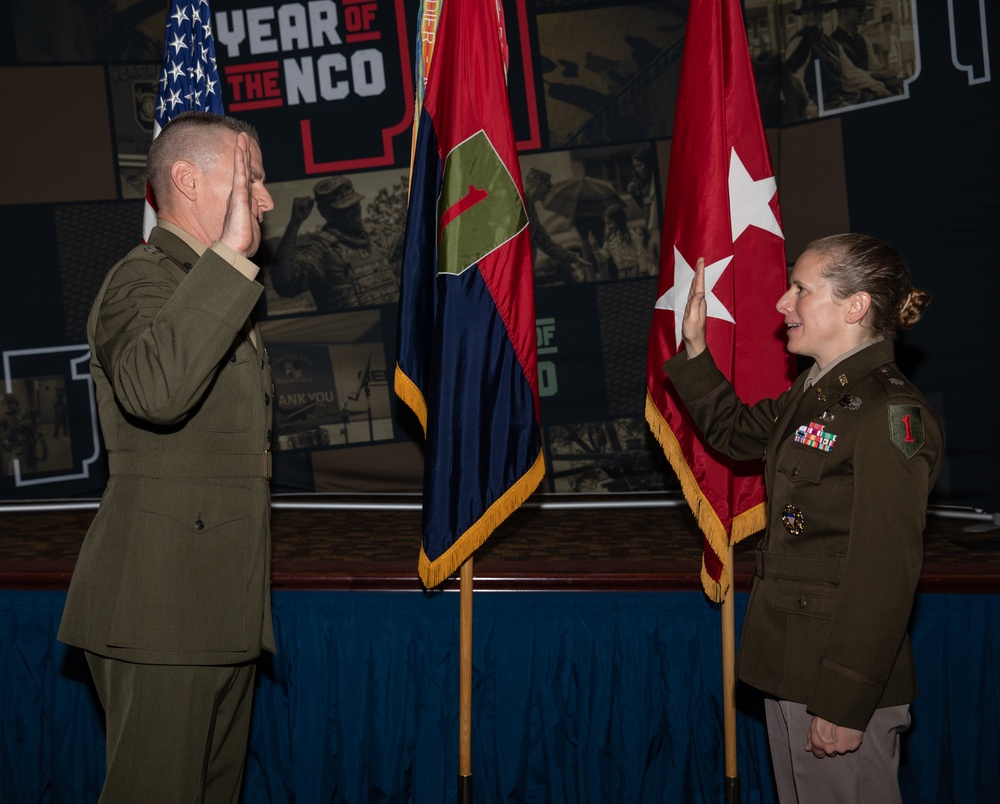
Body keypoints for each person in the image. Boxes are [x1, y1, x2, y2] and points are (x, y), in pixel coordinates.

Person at [664, 234, 943, 802]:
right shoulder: (815, 394)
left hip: (837, 681)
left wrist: (843, 700)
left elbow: (883, 573)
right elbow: (734, 431)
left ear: (855, 305)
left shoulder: (889, 413)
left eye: (800, 289)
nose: (781, 304)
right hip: (793, 660)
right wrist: (695, 348)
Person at [57, 111, 276, 803]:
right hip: (161, 613)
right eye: (253, 178)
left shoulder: (212, 284)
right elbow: (155, 392)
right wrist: (234, 251)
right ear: (186, 179)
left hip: (217, 609)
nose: (266, 199)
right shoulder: (141, 282)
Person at [269, 175, 400, 311]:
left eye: (356, 204)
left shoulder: (377, 236)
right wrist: (294, 224)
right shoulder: (320, 250)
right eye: (346, 208)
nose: (355, 211)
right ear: (327, 213)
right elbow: (284, 283)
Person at [783, 0, 891, 119]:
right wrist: (813, 114)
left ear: (824, 11)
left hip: (837, 104)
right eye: (807, 11)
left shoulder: (831, 43)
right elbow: (795, 83)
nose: (812, 14)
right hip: (817, 111)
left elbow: (851, 74)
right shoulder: (799, 42)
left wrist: (879, 88)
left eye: (816, 10)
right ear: (802, 15)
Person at [523, 167, 592, 283]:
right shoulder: (515, 204)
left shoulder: (530, 206)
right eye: (548, 185)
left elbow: (543, 241)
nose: (550, 188)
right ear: (539, 184)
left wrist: (571, 257)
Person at [832, 0, 902, 96]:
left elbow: (874, 65)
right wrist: (881, 75)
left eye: (864, 9)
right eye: (859, 9)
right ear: (844, 11)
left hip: (870, 91)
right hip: (850, 97)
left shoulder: (864, 40)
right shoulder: (833, 43)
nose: (864, 12)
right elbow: (847, 77)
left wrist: (884, 72)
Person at [588, 202, 656, 279]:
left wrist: (642, 270)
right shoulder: (610, 238)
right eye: (606, 224)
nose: (608, 226)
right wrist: (596, 248)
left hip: (635, 270)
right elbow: (603, 257)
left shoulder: (630, 234)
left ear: (618, 221)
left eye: (610, 223)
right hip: (622, 273)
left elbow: (640, 252)